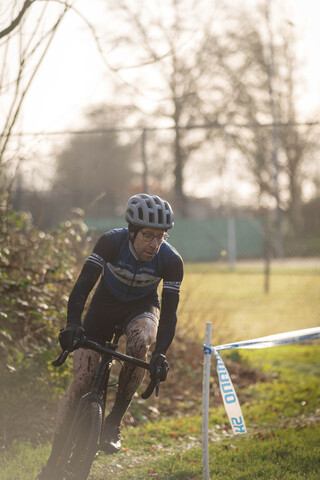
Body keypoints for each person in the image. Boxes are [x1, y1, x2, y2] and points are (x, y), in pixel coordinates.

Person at [36, 193, 184, 479]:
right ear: (132, 232)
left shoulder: (171, 260)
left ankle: (113, 421)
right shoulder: (111, 242)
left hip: (142, 307)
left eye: (161, 237)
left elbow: (169, 315)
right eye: (148, 236)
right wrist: (72, 325)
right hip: (103, 306)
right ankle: (53, 461)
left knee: (140, 343)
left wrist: (160, 354)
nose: (155, 244)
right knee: (80, 382)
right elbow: (82, 287)